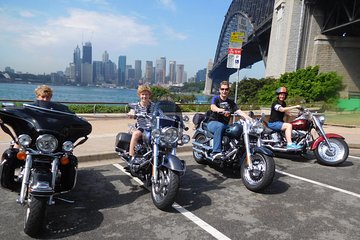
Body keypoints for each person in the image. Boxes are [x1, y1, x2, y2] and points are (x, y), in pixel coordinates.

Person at [207, 80, 252, 159]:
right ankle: (216, 152)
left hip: (225, 125)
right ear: (219, 90)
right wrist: (221, 110)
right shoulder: (216, 98)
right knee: (220, 126)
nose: (224, 91)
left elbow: (239, 112)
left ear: (229, 90)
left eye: (226, 89)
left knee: (238, 129)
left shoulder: (231, 102)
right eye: (222, 89)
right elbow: (212, 107)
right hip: (213, 123)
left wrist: (251, 119)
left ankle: (237, 151)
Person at [127, 85, 153, 161]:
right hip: (142, 128)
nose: (144, 96)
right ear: (139, 95)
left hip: (153, 128)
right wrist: (131, 114)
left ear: (149, 95)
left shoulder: (154, 106)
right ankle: (131, 156)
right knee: (136, 134)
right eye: (143, 94)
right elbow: (131, 111)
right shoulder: (136, 106)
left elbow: (161, 114)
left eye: (146, 94)